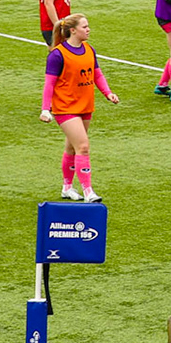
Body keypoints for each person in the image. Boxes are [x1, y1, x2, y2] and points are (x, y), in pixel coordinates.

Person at [40, 13, 121, 202]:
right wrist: (45, 109)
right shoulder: (57, 55)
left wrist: (108, 93)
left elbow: (97, 74)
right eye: (85, 27)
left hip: (85, 106)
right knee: (83, 147)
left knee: (72, 148)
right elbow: (49, 84)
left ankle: (67, 188)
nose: (88, 29)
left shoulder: (89, 49)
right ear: (73, 30)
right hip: (66, 108)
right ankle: (88, 191)